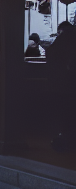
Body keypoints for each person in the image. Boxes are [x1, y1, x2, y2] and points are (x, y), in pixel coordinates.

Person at [47, 22, 76, 151]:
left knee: (66, 115)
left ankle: (67, 139)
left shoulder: (66, 36)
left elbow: (51, 53)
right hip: (66, 83)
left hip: (64, 84)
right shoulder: (69, 36)